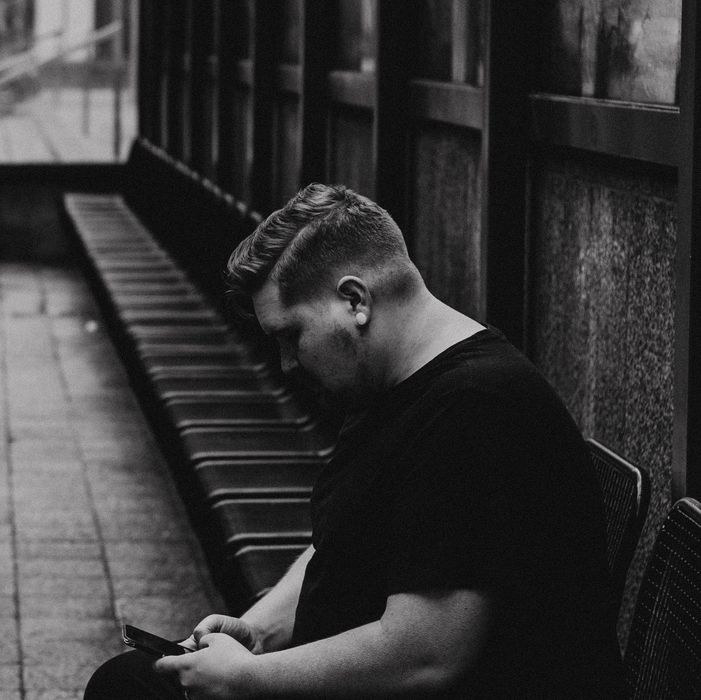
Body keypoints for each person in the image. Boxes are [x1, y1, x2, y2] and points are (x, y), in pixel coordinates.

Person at [84, 184, 625, 698]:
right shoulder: (397, 387)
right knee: (139, 680)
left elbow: (426, 654)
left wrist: (246, 681)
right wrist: (259, 631)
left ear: (354, 301)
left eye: (291, 335)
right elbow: (344, 541)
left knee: (130, 687)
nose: (287, 364)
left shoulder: (476, 410)